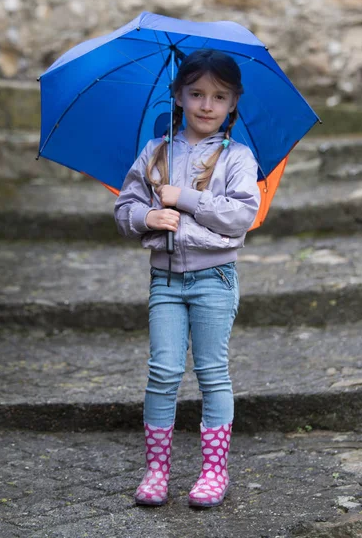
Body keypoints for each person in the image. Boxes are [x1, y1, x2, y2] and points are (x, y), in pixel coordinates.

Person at [114, 49, 260, 508]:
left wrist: (187, 200)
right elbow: (123, 208)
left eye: (219, 96)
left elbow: (241, 215)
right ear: (178, 96)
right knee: (162, 372)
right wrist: (148, 216)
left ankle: (214, 471)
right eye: (196, 93)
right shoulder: (155, 152)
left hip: (215, 277)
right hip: (166, 282)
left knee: (212, 373)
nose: (206, 105)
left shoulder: (237, 157)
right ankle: (157, 470)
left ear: (234, 102)